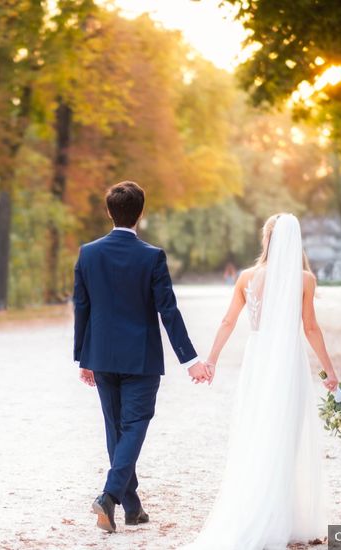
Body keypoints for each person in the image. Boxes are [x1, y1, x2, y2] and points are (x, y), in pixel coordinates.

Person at [185, 213, 339, 549]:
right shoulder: (304, 280)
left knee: (256, 431)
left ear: (266, 239)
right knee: (285, 433)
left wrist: (211, 359)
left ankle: (260, 509)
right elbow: (311, 328)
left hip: (258, 359)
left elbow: (228, 320)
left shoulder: (246, 277)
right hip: (287, 359)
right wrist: (329, 371)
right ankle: (278, 515)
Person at [73, 181, 212, 534]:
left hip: (102, 355)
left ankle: (132, 507)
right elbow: (169, 311)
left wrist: (83, 356)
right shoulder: (152, 256)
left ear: (109, 212)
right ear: (141, 212)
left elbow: (82, 308)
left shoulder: (88, 253)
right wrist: (190, 359)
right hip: (141, 358)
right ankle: (109, 497)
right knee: (133, 427)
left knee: (115, 429)